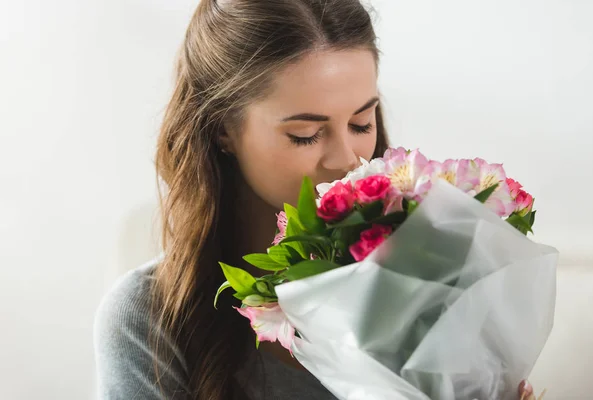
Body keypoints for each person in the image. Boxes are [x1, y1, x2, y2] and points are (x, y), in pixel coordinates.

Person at [93, 0, 537, 399]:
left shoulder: (436, 276)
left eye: (362, 123)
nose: (348, 160)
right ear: (222, 130)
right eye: (306, 135)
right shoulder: (149, 320)